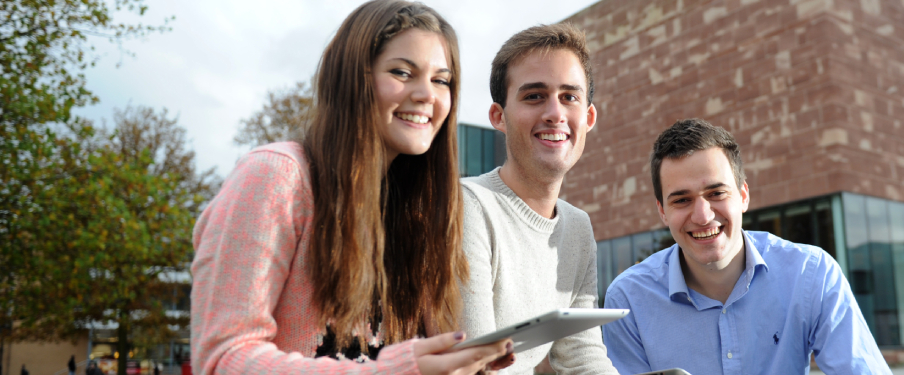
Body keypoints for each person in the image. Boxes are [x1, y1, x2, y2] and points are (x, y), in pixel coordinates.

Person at [190, 1, 510, 374]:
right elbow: (223, 358)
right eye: (403, 72)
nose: (427, 94)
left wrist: (463, 362)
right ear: (353, 78)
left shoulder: (420, 210)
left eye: (441, 80)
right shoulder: (275, 177)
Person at [602, 119, 892, 374]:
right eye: (681, 200)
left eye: (716, 193)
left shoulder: (810, 274)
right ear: (662, 211)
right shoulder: (628, 301)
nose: (703, 215)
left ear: (743, 196)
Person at [459, 23, 616, 374]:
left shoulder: (577, 228)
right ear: (499, 116)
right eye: (534, 96)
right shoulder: (468, 206)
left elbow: (582, 356)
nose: (555, 113)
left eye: (569, 97)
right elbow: (478, 364)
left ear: (588, 117)